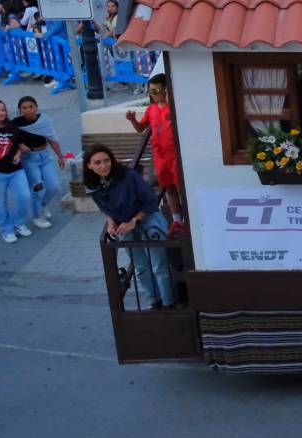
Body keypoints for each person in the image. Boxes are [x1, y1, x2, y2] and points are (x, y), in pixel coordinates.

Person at [83, 144, 174, 309]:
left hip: (148, 218)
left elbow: (150, 201)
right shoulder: (92, 185)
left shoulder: (128, 176)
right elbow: (104, 207)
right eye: (97, 162)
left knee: (159, 266)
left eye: (106, 160)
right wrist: (110, 222)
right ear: (89, 165)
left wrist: (134, 221)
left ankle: (169, 302)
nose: (103, 165)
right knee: (141, 267)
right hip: (123, 225)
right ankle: (155, 301)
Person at [125, 74, 184, 236]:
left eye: (156, 90)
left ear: (166, 90)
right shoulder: (151, 109)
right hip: (160, 156)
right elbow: (140, 128)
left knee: (182, 188)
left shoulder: (174, 107)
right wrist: (133, 120)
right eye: (151, 91)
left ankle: (187, 220)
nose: (153, 94)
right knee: (169, 189)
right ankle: (176, 220)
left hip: (175, 156)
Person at [0, 99, 40, 243]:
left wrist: (19, 154)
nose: (1, 113)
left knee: (24, 197)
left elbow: (18, 144)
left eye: (3, 110)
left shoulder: (12, 126)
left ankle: (18, 223)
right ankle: (6, 230)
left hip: (15, 170)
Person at [12, 96, 64, 222]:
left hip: (45, 157)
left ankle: (42, 205)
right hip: (29, 159)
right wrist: (20, 146)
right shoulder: (16, 123)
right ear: (20, 110)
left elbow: (52, 138)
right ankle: (37, 217)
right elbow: (12, 139)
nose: (28, 110)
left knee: (54, 186)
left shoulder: (44, 119)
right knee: (38, 189)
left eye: (31, 107)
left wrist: (60, 156)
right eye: (24, 108)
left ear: (36, 107)